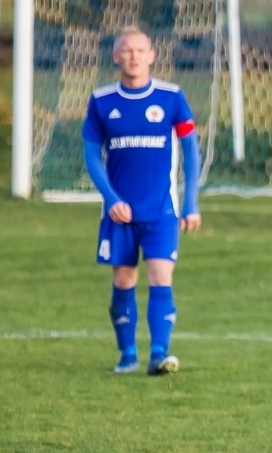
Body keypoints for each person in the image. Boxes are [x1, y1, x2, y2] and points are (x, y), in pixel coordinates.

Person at [81, 28, 200, 376]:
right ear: (116, 57)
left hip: (162, 210)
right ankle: (127, 355)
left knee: (161, 277)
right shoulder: (101, 101)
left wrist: (191, 202)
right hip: (119, 214)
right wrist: (112, 199)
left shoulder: (172, 97)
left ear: (152, 56)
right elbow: (91, 155)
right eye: (126, 50)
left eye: (140, 50)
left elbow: (191, 152)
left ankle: (159, 354)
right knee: (123, 281)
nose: (133, 56)